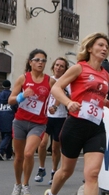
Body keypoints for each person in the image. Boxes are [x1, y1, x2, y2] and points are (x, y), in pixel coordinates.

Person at [42, 32, 109, 195]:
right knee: (66, 171)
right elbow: (56, 88)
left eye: (107, 46)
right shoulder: (78, 68)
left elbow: (96, 97)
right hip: (75, 125)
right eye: (101, 45)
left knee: (92, 173)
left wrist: (107, 103)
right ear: (90, 48)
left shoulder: (106, 74)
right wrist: (68, 103)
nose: (105, 49)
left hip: (95, 127)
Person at [8, 48, 55, 195]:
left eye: (43, 60)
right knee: (19, 157)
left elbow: (60, 93)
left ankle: (26, 184)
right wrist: (22, 95)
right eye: (37, 60)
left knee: (29, 153)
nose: (40, 63)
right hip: (20, 121)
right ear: (30, 62)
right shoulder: (23, 78)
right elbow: (10, 99)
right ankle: (17, 184)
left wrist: (55, 106)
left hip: (38, 123)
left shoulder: (50, 81)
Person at [35, 57, 70, 185]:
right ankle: (41, 168)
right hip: (46, 117)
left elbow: (61, 95)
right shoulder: (47, 80)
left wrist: (55, 106)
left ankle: (54, 171)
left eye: (61, 66)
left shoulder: (67, 82)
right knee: (42, 143)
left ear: (65, 69)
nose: (58, 67)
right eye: (57, 65)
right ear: (53, 66)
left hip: (60, 117)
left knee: (55, 148)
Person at [0, 80, 17, 161]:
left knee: (5, 135)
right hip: (10, 117)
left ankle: (8, 154)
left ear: (2, 86)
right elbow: (16, 106)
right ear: (10, 86)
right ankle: (1, 151)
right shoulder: (12, 95)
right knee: (8, 135)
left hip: (1, 117)